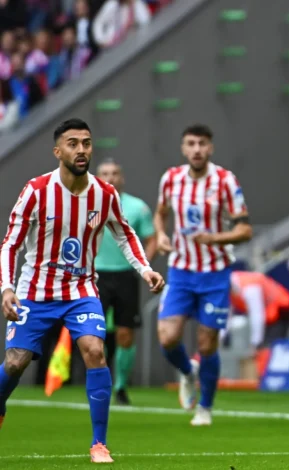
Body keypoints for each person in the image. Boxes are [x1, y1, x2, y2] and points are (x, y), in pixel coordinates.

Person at [0, 118, 165, 463]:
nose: (81, 150)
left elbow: (125, 234)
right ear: (57, 151)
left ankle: (99, 444)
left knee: (95, 351)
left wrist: (145, 269)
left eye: (86, 143)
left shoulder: (104, 194)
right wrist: (6, 288)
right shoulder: (36, 191)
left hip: (81, 291)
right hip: (35, 292)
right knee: (15, 364)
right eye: (73, 143)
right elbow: (10, 244)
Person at [154, 124, 252, 426]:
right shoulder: (171, 179)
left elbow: (245, 229)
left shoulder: (225, 181)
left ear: (210, 148)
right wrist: (159, 234)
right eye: (191, 144)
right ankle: (187, 371)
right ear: (184, 148)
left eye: (202, 144)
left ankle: (205, 408)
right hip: (181, 269)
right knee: (168, 337)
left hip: (215, 272)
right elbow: (161, 212)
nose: (197, 149)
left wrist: (216, 238)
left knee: (207, 344)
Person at [94, 159, 157, 405]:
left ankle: (120, 386)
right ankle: (100, 384)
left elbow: (151, 238)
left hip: (125, 276)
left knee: (125, 334)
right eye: (105, 173)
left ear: (122, 178)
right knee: (94, 335)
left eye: (115, 173)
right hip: (95, 276)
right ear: (97, 177)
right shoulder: (86, 203)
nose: (110, 177)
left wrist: (144, 266)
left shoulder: (137, 207)